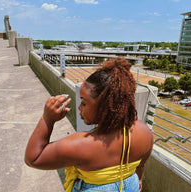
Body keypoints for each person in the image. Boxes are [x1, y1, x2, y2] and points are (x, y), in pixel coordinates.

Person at [25, 57, 153, 192]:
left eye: (84, 102)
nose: (79, 107)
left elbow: (33, 158)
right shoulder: (144, 132)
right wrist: (137, 180)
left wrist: (47, 119)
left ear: (105, 107)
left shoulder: (82, 144)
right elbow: (140, 165)